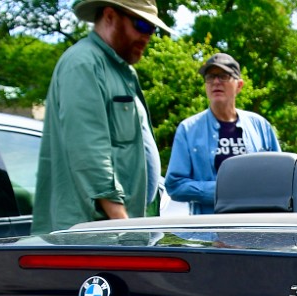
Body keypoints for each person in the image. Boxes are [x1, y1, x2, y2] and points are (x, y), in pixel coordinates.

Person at [32, 0, 170, 234]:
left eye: (152, 29)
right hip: (96, 233)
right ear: (109, 16)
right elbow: (89, 153)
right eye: (141, 25)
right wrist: (122, 224)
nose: (147, 36)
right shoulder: (83, 63)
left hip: (120, 231)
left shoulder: (121, 70)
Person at [164, 53, 281, 215]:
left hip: (257, 228)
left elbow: (281, 177)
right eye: (210, 77)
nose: (216, 82)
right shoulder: (188, 129)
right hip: (210, 231)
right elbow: (174, 185)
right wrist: (222, 191)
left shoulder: (260, 126)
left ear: (239, 85)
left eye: (224, 76)